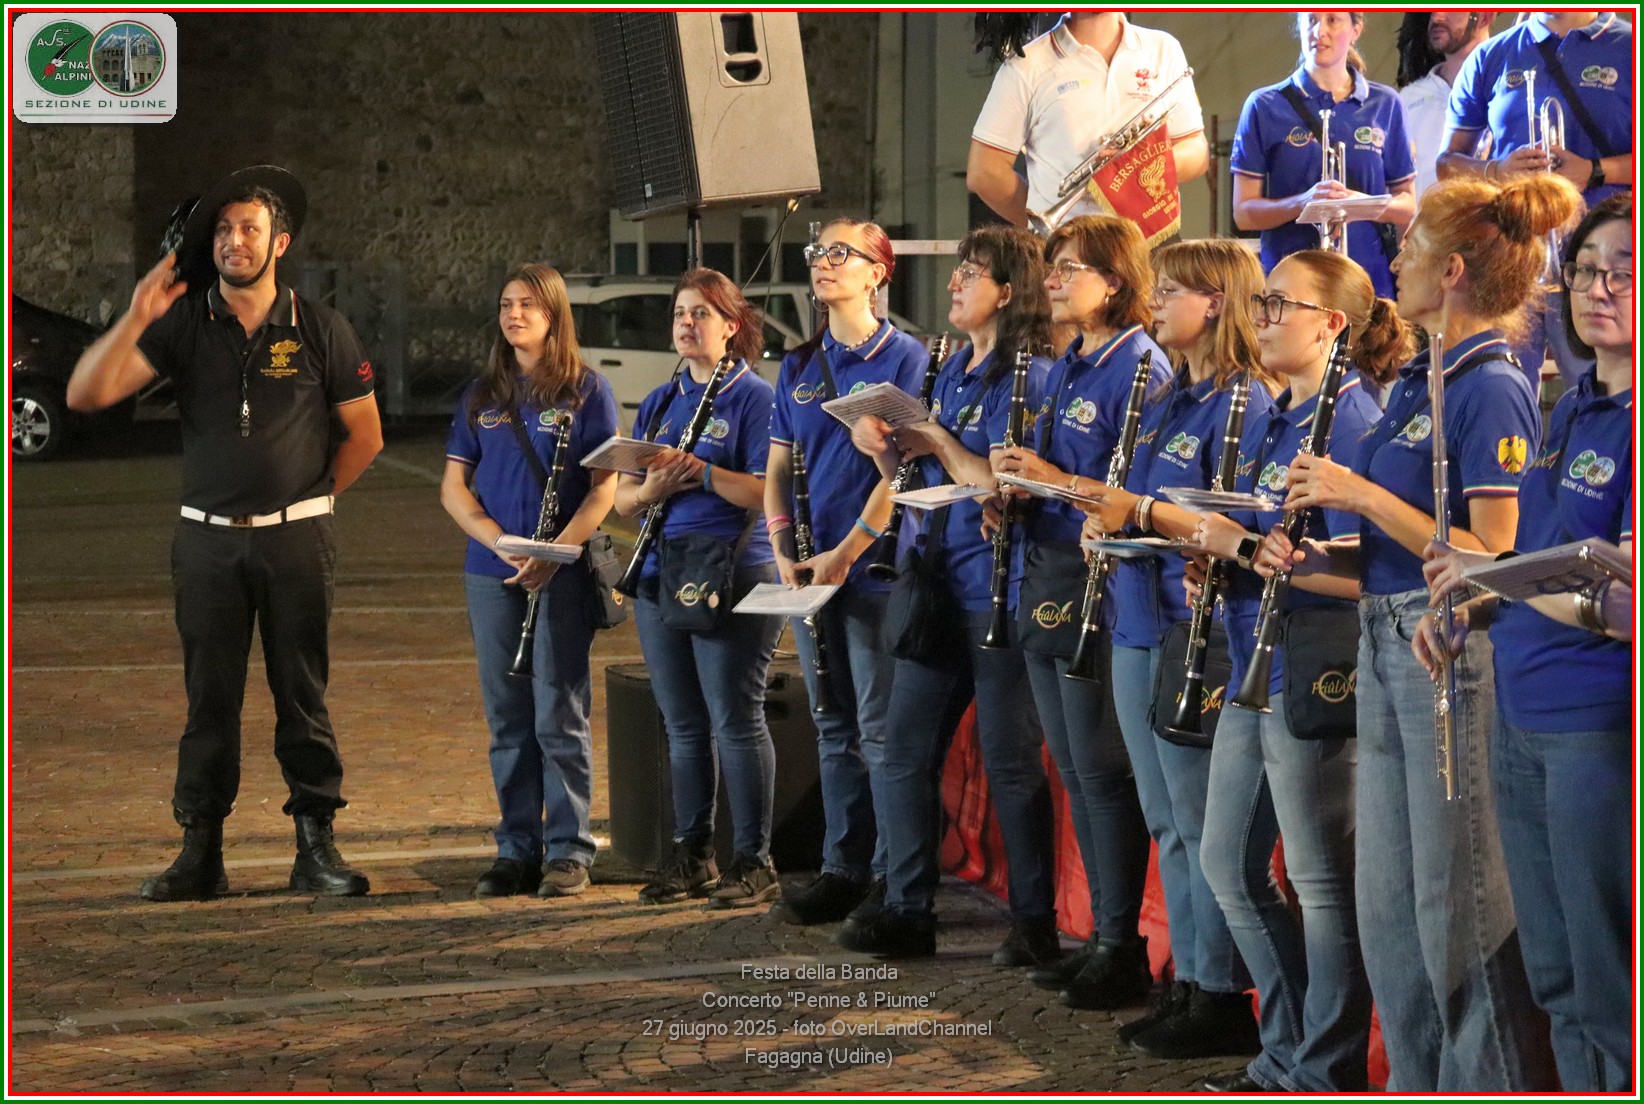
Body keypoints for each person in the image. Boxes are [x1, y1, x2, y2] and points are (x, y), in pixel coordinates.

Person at [1254, 173, 1581, 1091]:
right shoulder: (1417, 379)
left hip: (1449, 646)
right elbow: (1393, 551)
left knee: (1456, 902)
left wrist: (1359, 496)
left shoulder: (1493, 384)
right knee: (1388, 906)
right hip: (1381, 631)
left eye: (1409, 247)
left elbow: (1495, 555)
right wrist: (1304, 558)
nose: (1394, 260)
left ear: (1455, 270)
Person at [66, 166, 384, 901]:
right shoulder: (182, 324)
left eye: (249, 228)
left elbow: (364, 436)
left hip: (296, 542)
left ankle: (315, 848)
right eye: (222, 230)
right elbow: (85, 392)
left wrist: (309, 501)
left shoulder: (321, 328)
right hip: (206, 543)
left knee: (302, 695)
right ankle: (200, 852)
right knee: (209, 699)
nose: (234, 240)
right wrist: (136, 316)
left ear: (280, 243)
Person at [1415, 193, 1634, 1092]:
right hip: (1521, 716)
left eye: (1624, 272)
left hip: (1597, 726)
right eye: (1585, 270)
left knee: (1611, 980)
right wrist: (1474, 603)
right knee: (1555, 975)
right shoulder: (1571, 405)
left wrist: (1497, 575)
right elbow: (1549, 563)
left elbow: (1623, 606)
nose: (1599, 288)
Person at [1187, 251, 1394, 1092]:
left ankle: (1324, 1067)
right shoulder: (1279, 412)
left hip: (1311, 664)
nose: (1262, 317)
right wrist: (1224, 560)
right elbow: (1271, 537)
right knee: (1228, 864)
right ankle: (1290, 1045)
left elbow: (1362, 564)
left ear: (1332, 324)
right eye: (1262, 302)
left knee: (1318, 879)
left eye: (1281, 304)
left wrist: (1244, 548)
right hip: (1253, 655)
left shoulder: (1354, 421)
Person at [1075, 240, 1280, 1059]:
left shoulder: (1246, 402)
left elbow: (1238, 526)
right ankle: (1189, 980)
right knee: (1166, 820)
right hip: (1135, 618)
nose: (1155, 302)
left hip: (1190, 627)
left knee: (1200, 824)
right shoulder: (1167, 396)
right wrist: (1100, 522)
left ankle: (1220, 993)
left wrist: (1138, 515)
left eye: (1172, 291)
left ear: (1218, 302)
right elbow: (1132, 498)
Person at [840, 226, 1059, 962]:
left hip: (997, 587)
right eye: (957, 269)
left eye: (973, 272)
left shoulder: (1027, 373)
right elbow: (917, 481)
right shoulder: (949, 368)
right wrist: (885, 450)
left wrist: (934, 437)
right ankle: (908, 906)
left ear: (1008, 291)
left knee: (1011, 762)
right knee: (903, 751)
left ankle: (1034, 922)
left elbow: (996, 483)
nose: (955, 282)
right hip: (932, 580)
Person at [986, 215, 1167, 1013]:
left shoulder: (1140, 368)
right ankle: (1100, 937)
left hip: (1102, 583)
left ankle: (1121, 946)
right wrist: (1014, 494)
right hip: (1048, 569)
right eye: (1052, 266)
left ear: (1115, 282)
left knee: (1101, 771)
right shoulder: (1068, 361)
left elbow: (1138, 498)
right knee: (1073, 769)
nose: (1053, 280)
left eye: (1070, 268)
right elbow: (1058, 474)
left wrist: (1050, 479)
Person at [763, 218, 928, 926]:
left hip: (874, 572)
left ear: (878, 272)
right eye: (817, 253)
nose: (824, 263)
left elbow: (903, 475)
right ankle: (841, 867)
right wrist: (781, 548)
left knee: (880, 729)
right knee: (831, 721)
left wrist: (847, 552)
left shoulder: (909, 358)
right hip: (810, 569)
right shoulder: (800, 364)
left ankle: (892, 878)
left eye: (841, 253)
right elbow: (778, 469)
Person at [440, 263, 618, 899]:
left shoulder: (586, 391)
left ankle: (569, 849)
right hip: (492, 573)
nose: (514, 315)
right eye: (506, 304)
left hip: (559, 575)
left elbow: (603, 489)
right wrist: (500, 542)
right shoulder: (482, 395)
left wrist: (556, 552)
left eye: (528, 305)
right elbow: (454, 488)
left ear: (553, 315)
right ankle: (516, 848)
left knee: (558, 714)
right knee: (508, 719)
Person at [611, 269, 784, 909]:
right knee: (683, 724)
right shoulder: (660, 400)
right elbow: (623, 499)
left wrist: (703, 473)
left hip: (734, 571)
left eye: (702, 314)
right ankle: (693, 853)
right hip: (663, 570)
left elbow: (769, 492)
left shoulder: (754, 398)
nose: (687, 324)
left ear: (731, 326)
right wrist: (649, 491)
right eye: (681, 313)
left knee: (735, 719)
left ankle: (755, 860)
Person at [1439, 10, 1632, 387]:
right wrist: (1497, 171)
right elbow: (1446, 164)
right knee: (1502, 390)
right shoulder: (1489, 55)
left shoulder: (1629, 45)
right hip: (1511, 260)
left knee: (1605, 392)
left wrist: (1595, 170)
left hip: (1604, 265)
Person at [968, 11, 1207, 236]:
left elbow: (1196, 150)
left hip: (1151, 239)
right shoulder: (1025, 65)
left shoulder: (1163, 49)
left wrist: (1145, 165)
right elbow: (985, 173)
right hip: (1071, 249)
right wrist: (1048, 232)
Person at [1231, 12, 1418, 298]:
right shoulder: (1264, 105)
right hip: (1292, 288)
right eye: (1311, 20)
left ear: (1356, 29)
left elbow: (1407, 204)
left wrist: (1359, 204)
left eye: (1333, 20)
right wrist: (1303, 202)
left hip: (1369, 283)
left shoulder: (1385, 104)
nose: (1320, 31)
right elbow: (1243, 214)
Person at [1397, 12, 1499, 197]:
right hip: (1425, 216)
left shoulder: (1508, 89)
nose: (1436, 17)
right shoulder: (1408, 98)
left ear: (1485, 17)